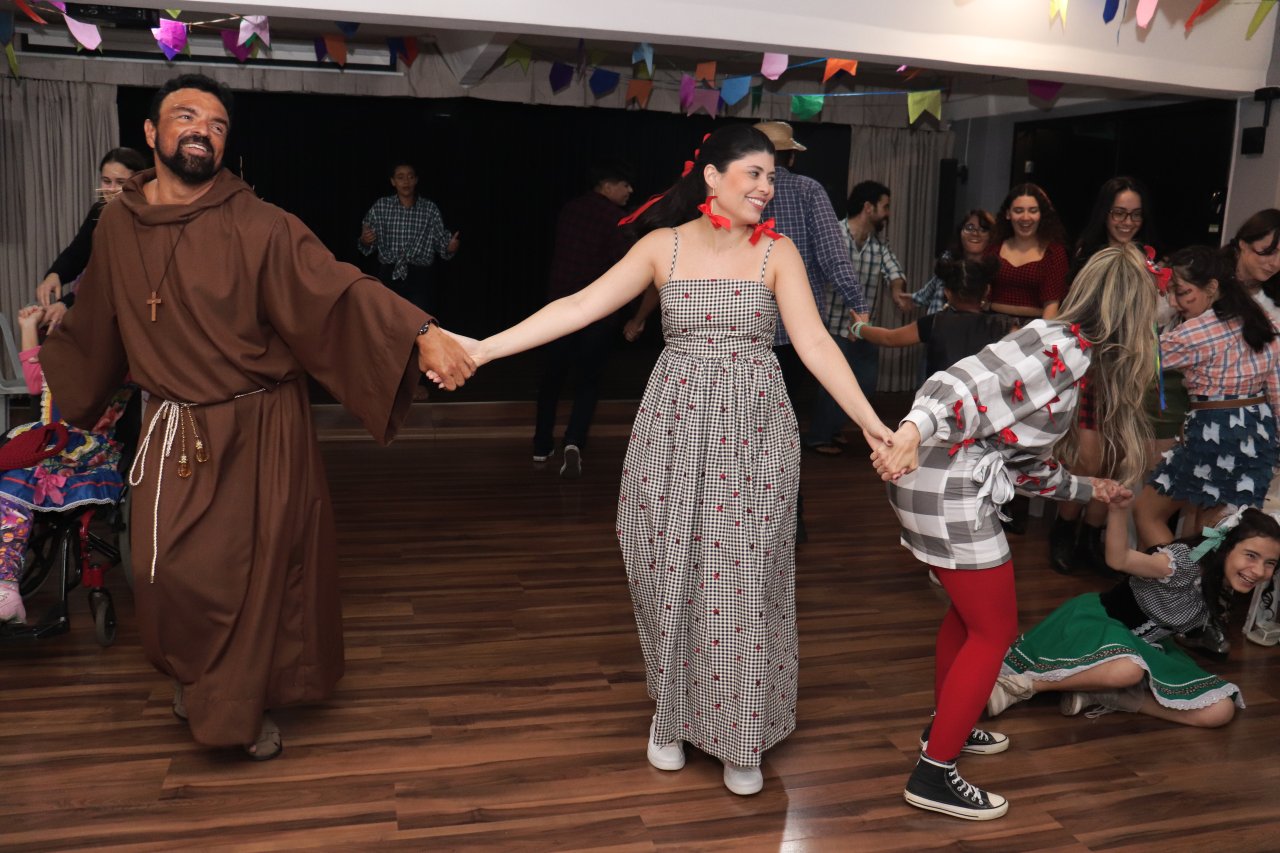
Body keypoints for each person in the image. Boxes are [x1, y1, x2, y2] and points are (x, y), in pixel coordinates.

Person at [434, 125, 897, 796]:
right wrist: (483, 349)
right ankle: (670, 716)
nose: (768, 188)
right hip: (673, 428)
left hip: (753, 433)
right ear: (711, 176)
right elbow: (579, 306)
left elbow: (816, 344)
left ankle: (741, 734)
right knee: (665, 568)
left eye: (772, 176)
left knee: (744, 580)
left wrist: (872, 423)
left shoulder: (778, 252)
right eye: (755, 173)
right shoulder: (663, 246)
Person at [39, 73, 475, 760]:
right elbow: (97, 319)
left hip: (256, 428)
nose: (202, 131)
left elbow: (334, 287)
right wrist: (56, 351)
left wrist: (419, 331)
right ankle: (199, 674)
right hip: (171, 428)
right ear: (150, 132)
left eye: (216, 125)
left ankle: (231, 707)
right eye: (186, 116)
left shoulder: (257, 223)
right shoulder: (118, 225)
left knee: (242, 577)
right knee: (160, 571)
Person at [871, 243, 1159, 820]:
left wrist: (1091, 490)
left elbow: (1022, 463)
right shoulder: (1062, 347)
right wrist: (912, 428)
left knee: (969, 617)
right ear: (1132, 313)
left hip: (937, 481)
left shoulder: (1063, 349)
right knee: (995, 629)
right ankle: (933, 774)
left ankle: (947, 727)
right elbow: (960, 384)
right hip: (945, 484)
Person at [988, 504, 1280, 727]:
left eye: (1270, 563)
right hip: (1097, 625)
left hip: (1146, 647)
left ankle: (1105, 694)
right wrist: (1118, 509)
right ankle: (1022, 687)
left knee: (1220, 711)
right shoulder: (1182, 564)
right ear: (1225, 546)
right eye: (1251, 555)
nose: (1259, 571)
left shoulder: (1221, 583)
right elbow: (1120, 559)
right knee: (1127, 670)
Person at [1132, 245, 1280, 659]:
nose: (1177, 301)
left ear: (1212, 287)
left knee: (1154, 514)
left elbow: (1140, 359)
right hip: (1255, 432)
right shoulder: (1260, 318)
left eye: (1182, 292)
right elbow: (1276, 388)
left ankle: (1187, 608)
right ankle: (1200, 614)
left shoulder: (1197, 331)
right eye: (1171, 292)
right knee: (1211, 534)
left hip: (1217, 432)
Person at [1050, 177, 1163, 575]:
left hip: (1128, 372)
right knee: (1087, 459)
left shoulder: (1148, 260)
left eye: (1135, 215)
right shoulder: (1089, 257)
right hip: (1091, 370)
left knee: (1117, 460)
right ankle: (1064, 532)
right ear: (1105, 214)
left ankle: (1091, 538)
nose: (1127, 222)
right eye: (1119, 213)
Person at [0, 304, 131, 624]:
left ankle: (5, 587)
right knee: (13, 467)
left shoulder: (118, 360)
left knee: (19, 480)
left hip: (85, 448)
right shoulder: (64, 353)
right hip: (48, 438)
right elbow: (36, 384)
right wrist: (29, 326)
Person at [752, 120, 868, 459]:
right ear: (791, 157)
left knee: (746, 415)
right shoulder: (808, 190)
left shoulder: (735, 191)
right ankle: (780, 483)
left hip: (745, 323)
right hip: (796, 328)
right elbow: (832, 255)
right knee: (781, 413)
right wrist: (857, 304)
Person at [532, 161, 634, 477]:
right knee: (588, 380)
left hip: (560, 309)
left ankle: (541, 444)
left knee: (552, 378)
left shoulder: (569, 210)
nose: (630, 190)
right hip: (597, 312)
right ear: (607, 185)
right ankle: (574, 441)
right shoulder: (617, 219)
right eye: (625, 184)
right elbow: (627, 266)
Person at [806, 180, 907, 454]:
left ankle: (833, 428)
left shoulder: (878, 245)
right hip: (832, 327)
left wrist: (897, 291)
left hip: (863, 330)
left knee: (866, 383)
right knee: (833, 387)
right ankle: (818, 437)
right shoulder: (833, 235)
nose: (888, 213)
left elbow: (894, 272)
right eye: (885, 206)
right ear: (868, 207)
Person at [36, 147, 150, 328]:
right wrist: (55, 274)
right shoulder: (99, 211)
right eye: (106, 181)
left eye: (120, 182)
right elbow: (77, 252)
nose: (111, 189)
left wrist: (67, 303)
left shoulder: (147, 217)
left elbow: (111, 278)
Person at [851, 256, 1016, 378]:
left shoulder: (935, 322)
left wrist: (859, 328)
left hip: (943, 403)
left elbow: (889, 338)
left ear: (947, 293)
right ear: (987, 290)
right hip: (983, 405)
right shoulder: (1003, 325)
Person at [358, 161, 460, 316]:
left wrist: (450, 247)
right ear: (393, 181)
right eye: (400, 177)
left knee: (418, 321)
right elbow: (366, 241)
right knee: (387, 319)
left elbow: (441, 242)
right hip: (389, 272)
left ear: (416, 180)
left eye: (410, 177)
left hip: (420, 276)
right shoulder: (381, 206)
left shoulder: (429, 209)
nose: (406, 181)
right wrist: (365, 240)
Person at [987, 183, 1069, 321]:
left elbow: (1051, 309)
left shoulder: (1054, 252)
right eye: (1018, 210)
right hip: (992, 323)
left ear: (1041, 215)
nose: (1025, 217)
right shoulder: (994, 248)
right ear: (1008, 214)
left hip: (1034, 326)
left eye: (1033, 211)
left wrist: (1039, 333)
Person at [909, 209, 995, 318]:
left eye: (982, 229)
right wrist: (912, 299)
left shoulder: (995, 268)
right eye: (969, 228)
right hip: (936, 324)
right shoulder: (948, 259)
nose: (975, 233)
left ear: (991, 236)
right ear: (960, 232)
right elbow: (934, 285)